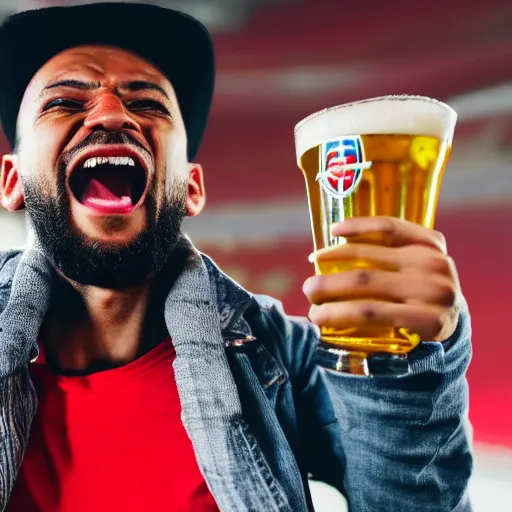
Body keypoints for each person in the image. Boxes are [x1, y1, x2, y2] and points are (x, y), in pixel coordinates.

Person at [0, 3, 472, 512]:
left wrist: (412, 364)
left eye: (150, 104)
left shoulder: (283, 355)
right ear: (13, 181)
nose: (113, 113)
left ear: (192, 188)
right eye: (65, 102)